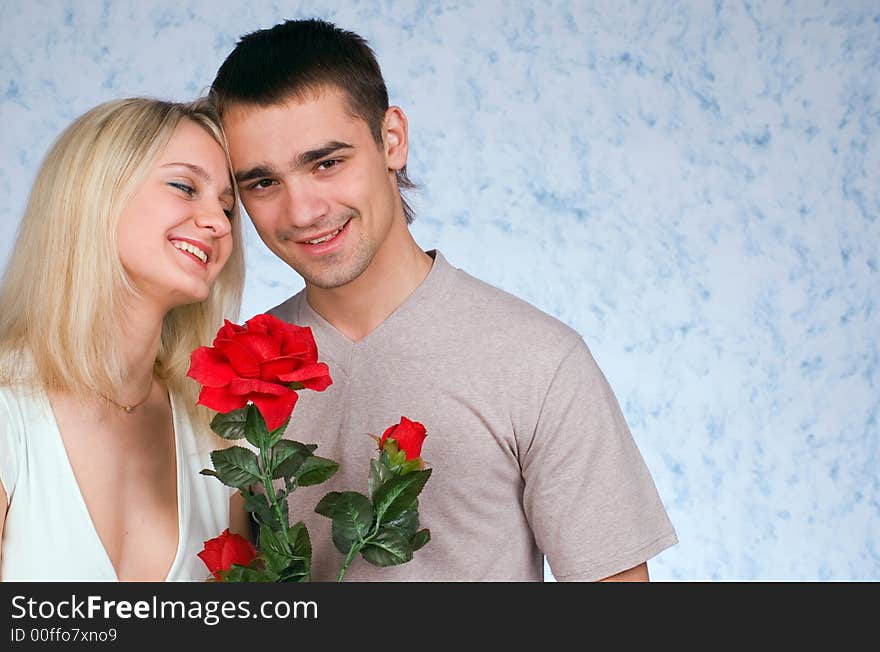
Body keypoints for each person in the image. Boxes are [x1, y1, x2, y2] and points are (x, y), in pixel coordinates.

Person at [210, 18, 678, 581]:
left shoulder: (537, 361)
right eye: (263, 183)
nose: (302, 211)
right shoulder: (234, 374)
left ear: (392, 140)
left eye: (327, 163)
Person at [0, 97, 250, 581]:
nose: (219, 224)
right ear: (93, 192)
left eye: (227, 207)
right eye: (184, 186)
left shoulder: (216, 434)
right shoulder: (7, 407)